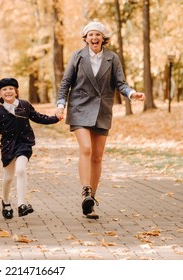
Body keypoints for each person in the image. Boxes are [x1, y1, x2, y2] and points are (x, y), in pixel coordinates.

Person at [55, 21, 145, 219]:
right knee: (86, 149)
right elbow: (65, 83)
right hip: (79, 107)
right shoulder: (77, 57)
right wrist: (61, 104)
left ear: (103, 38)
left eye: (97, 35)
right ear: (85, 38)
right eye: (90, 35)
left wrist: (132, 94)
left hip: (102, 110)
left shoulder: (112, 58)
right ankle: (85, 190)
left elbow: (120, 83)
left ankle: (90, 201)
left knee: (97, 156)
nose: (94, 38)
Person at [0, 78, 60, 219]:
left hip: (24, 144)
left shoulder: (24, 105)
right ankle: (5, 202)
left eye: (11, 88)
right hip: (8, 147)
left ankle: (22, 204)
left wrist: (56, 118)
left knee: (21, 169)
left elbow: (39, 117)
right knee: (9, 177)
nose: (8, 91)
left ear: (16, 92)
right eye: (4, 89)